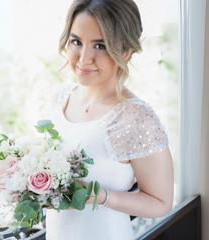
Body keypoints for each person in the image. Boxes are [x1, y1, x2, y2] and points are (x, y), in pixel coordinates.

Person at [45, 0, 174, 239]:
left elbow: (161, 202)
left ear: (126, 51)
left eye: (100, 46)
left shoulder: (134, 117)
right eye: (76, 42)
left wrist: (100, 196)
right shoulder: (59, 99)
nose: (84, 58)